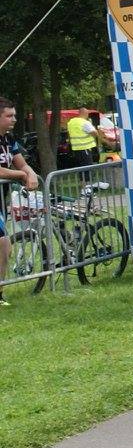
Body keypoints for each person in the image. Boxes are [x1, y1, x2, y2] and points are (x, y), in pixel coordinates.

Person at [0, 97, 40, 306]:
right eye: (9, 116)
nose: (14, 119)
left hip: (1, 199)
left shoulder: (9, 139)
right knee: (4, 244)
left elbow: (22, 163)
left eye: (14, 115)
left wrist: (30, 173)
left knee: (4, 247)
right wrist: (21, 175)